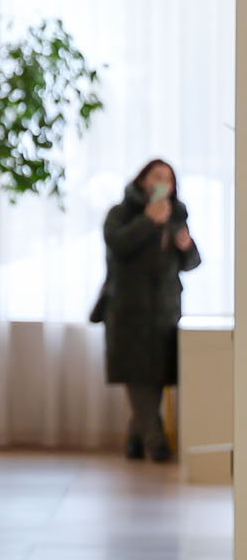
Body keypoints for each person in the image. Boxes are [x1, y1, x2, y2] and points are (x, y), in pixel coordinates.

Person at [100, 158, 200, 462]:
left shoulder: (177, 215)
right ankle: (156, 442)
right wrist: (148, 220)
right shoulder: (120, 213)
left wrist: (187, 247)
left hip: (165, 310)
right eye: (157, 176)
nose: (163, 184)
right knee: (138, 375)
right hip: (128, 310)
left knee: (155, 376)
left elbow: (191, 263)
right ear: (143, 180)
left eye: (168, 179)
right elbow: (117, 244)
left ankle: (135, 437)